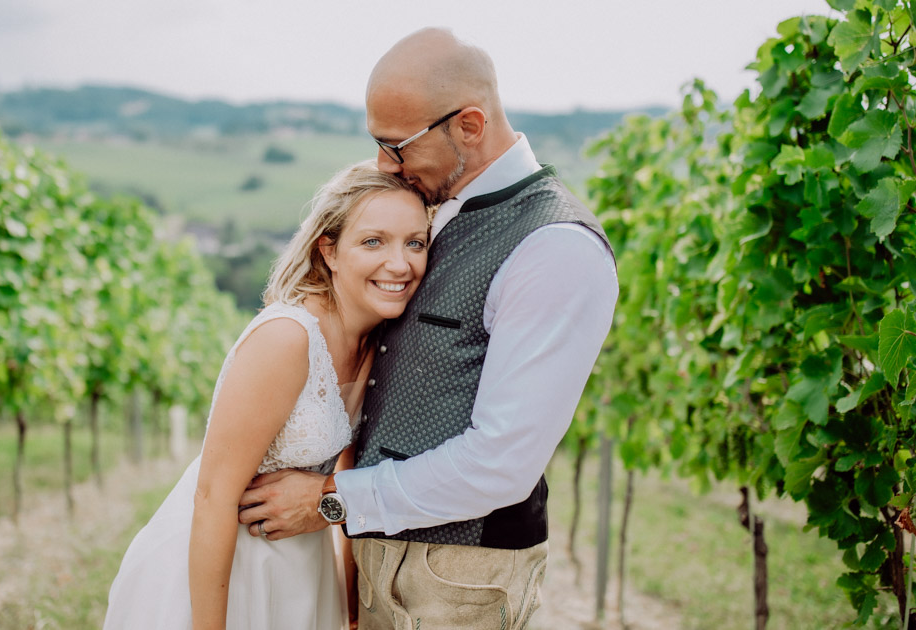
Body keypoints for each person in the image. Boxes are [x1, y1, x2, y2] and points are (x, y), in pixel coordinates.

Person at [236, 27, 618, 629]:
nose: (384, 165)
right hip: (382, 555)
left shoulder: (555, 246)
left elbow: (502, 462)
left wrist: (331, 501)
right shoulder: (431, 206)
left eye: (398, 146)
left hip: (458, 574)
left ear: (468, 125)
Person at [103, 161, 430, 630]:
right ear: (330, 251)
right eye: (373, 241)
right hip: (225, 570)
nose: (399, 263)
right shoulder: (287, 338)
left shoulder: (381, 344)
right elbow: (213, 496)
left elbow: (350, 474)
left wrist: (352, 606)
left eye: (414, 243)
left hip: (301, 568)